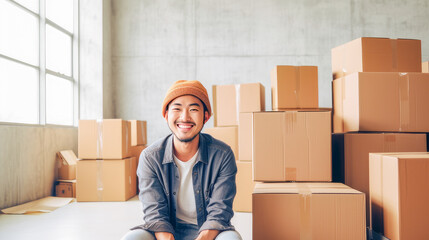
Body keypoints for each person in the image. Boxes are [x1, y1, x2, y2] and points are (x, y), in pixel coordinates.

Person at [122, 80, 242, 240]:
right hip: (164, 231)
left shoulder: (222, 155)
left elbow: (220, 211)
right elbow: (154, 212)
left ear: (205, 116)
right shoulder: (150, 157)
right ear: (166, 115)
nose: (185, 117)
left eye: (193, 109)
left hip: (208, 232)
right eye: (177, 109)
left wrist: (203, 237)